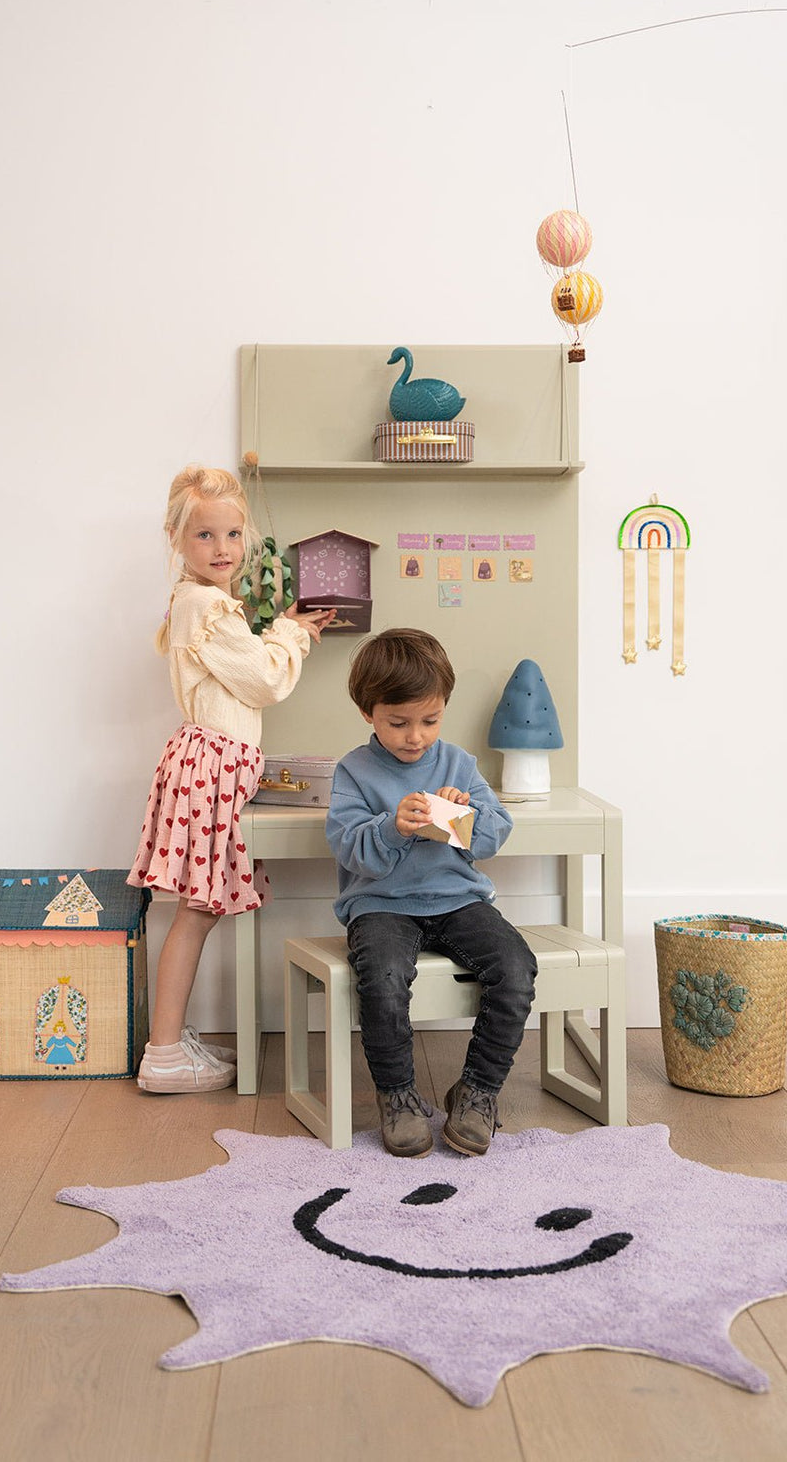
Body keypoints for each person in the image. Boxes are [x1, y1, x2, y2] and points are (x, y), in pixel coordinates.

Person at [128, 466, 334, 1093]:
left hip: (213, 762)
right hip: (213, 764)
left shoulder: (205, 603)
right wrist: (293, 632)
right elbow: (265, 680)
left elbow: (247, 672)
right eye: (205, 536)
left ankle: (169, 1041)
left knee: (199, 908)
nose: (222, 549)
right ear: (176, 539)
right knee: (198, 909)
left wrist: (283, 631)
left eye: (233, 534)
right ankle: (162, 1054)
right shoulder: (207, 605)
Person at [325, 628, 537, 1158]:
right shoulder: (353, 770)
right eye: (398, 722)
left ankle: (478, 1091)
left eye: (430, 720)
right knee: (384, 980)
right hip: (381, 905)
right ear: (368, 712)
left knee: (515, 968)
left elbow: (494, 835)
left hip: (457, 899)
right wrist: (393, 827)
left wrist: (459, 818)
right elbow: (352, 850)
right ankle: (398, 1096)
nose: (416, 736)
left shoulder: (459, 763)